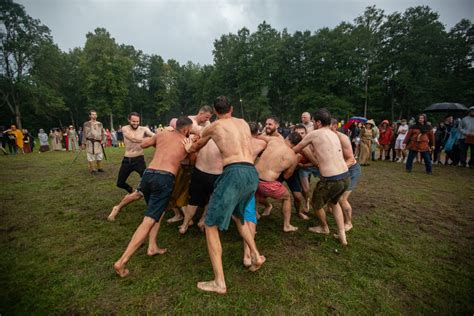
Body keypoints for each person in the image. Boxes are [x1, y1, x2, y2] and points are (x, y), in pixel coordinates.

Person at [184, 96, 265, 295]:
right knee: (239, 217)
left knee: (210, 225)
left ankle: (219, 282)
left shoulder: (213, 127)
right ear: (232, 109)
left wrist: (189, 147)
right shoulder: (244, 123)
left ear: (214, 110)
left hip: (234, 172)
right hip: (251, 174)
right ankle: (255, 255)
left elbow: (197, 146)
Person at [113, 117, 194, 278]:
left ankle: (152, 246)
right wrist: (189, 149)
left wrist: (160, 143)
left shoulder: (163, 134)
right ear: (186, 130)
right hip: (164, 178)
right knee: (148, 220)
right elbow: (191, 163)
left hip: (148, 174)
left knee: (158, 211)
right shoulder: (185, 141)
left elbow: (143, 144)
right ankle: (122, 261)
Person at [292, 108, 350, 246]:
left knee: (316, 204)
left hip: (331, 179)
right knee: (334, 203)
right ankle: (342, 236)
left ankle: (324, 227)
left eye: (313, 121)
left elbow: (297, 147)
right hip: (345, 177)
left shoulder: (314, 134)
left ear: (317, 122)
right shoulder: (334, 134)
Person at [107, 113, 155, 221]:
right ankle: (132, 191)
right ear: (129, 120)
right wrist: (147, 140)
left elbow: (153, 134)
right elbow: (133, 139)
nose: (136, 123)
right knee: (120, 183)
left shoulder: (143, 129)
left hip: (139, 160)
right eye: (133, 121)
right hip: (127, 160)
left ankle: (150, 206)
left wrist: (160, 135)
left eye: (137, 121)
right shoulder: (125, 128)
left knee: (147, 183)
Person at [255, 132, 302, 232]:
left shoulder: (274, 140)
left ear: (287, 137)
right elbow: (286, 175)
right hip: (267, 183)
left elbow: (258, 136)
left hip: (253, 178)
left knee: (255, 193)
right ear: (297, 144)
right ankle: (287, 225)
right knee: (287, 197)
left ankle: (255, 213)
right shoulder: (293, 156)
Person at [330, 119, 361, 232]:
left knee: (343, 199)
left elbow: (350, 160)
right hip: (340, 170)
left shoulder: (342, 138)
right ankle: (332, 209)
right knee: (333, 195)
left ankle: (348, 222)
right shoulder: (327, 137)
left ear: (334, 126)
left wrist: (337, 169)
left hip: (351, 170)